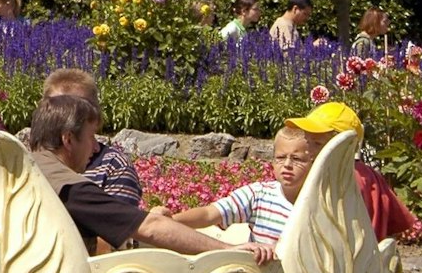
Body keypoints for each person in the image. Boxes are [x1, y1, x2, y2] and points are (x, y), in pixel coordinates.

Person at [25, 95, 275, 263]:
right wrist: (228, 250)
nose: (95, 147)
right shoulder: (71, 188)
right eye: (91, 136)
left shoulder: (21, 169)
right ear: (68, 139)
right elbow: (150, 227)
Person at [281, 102, 420, 241]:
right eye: (307, 141)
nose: (308, 150)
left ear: (345, 145)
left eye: (317, 144)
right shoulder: (369, 175)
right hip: (372, 257)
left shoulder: (338, 180)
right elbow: (397, 223)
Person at [170, 126, 321, 249]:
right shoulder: (259, 194)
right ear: (273, 161)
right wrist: (170, 221)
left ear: (314, 163)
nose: (287, 165)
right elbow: (209, 214)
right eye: (280, 158)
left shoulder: (323, 203)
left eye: (297, 159)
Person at [43, 67, 143, 207]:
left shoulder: (113, 167)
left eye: (78, 108)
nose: (65, 115)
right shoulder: (29, 159)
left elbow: (120, 225)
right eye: (57, 107)